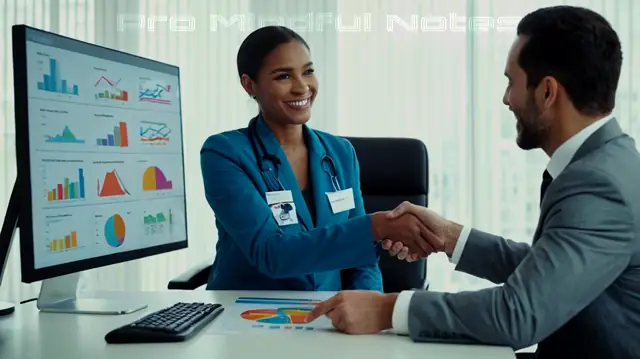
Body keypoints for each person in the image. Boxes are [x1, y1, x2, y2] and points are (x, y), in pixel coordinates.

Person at [305, 6, 640, 359]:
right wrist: (449, 237)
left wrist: (388, 309)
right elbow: (550, 270)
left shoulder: (597, 186)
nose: (506, 99)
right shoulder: (613, 160)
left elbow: (517, 313)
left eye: (512, 83)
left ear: (547, 92)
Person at [200, 26, 433, 291]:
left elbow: (362, 261)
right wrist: (375, 227)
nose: (302, 87)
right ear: (249, 84)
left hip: (326, 314)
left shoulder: (340, 153)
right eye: (284, 76)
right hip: (247, 314)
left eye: (308, 71)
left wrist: (368, 306)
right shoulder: (224, 153)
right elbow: (271, 254)